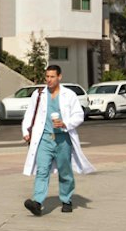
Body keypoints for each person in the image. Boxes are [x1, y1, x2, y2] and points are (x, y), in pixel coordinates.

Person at [21, 65, 94, 216]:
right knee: (42, 170)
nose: (49, 80)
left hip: (63, 138)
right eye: (47, 76)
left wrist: (65, 124)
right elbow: (30, 113)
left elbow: (78, 115)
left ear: (59, 77)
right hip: (44, 138)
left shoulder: (69, 95)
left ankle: (66, 199)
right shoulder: (39, 94)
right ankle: (37, 202)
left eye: (52, 77)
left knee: (65, 171)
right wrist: (26, 130)